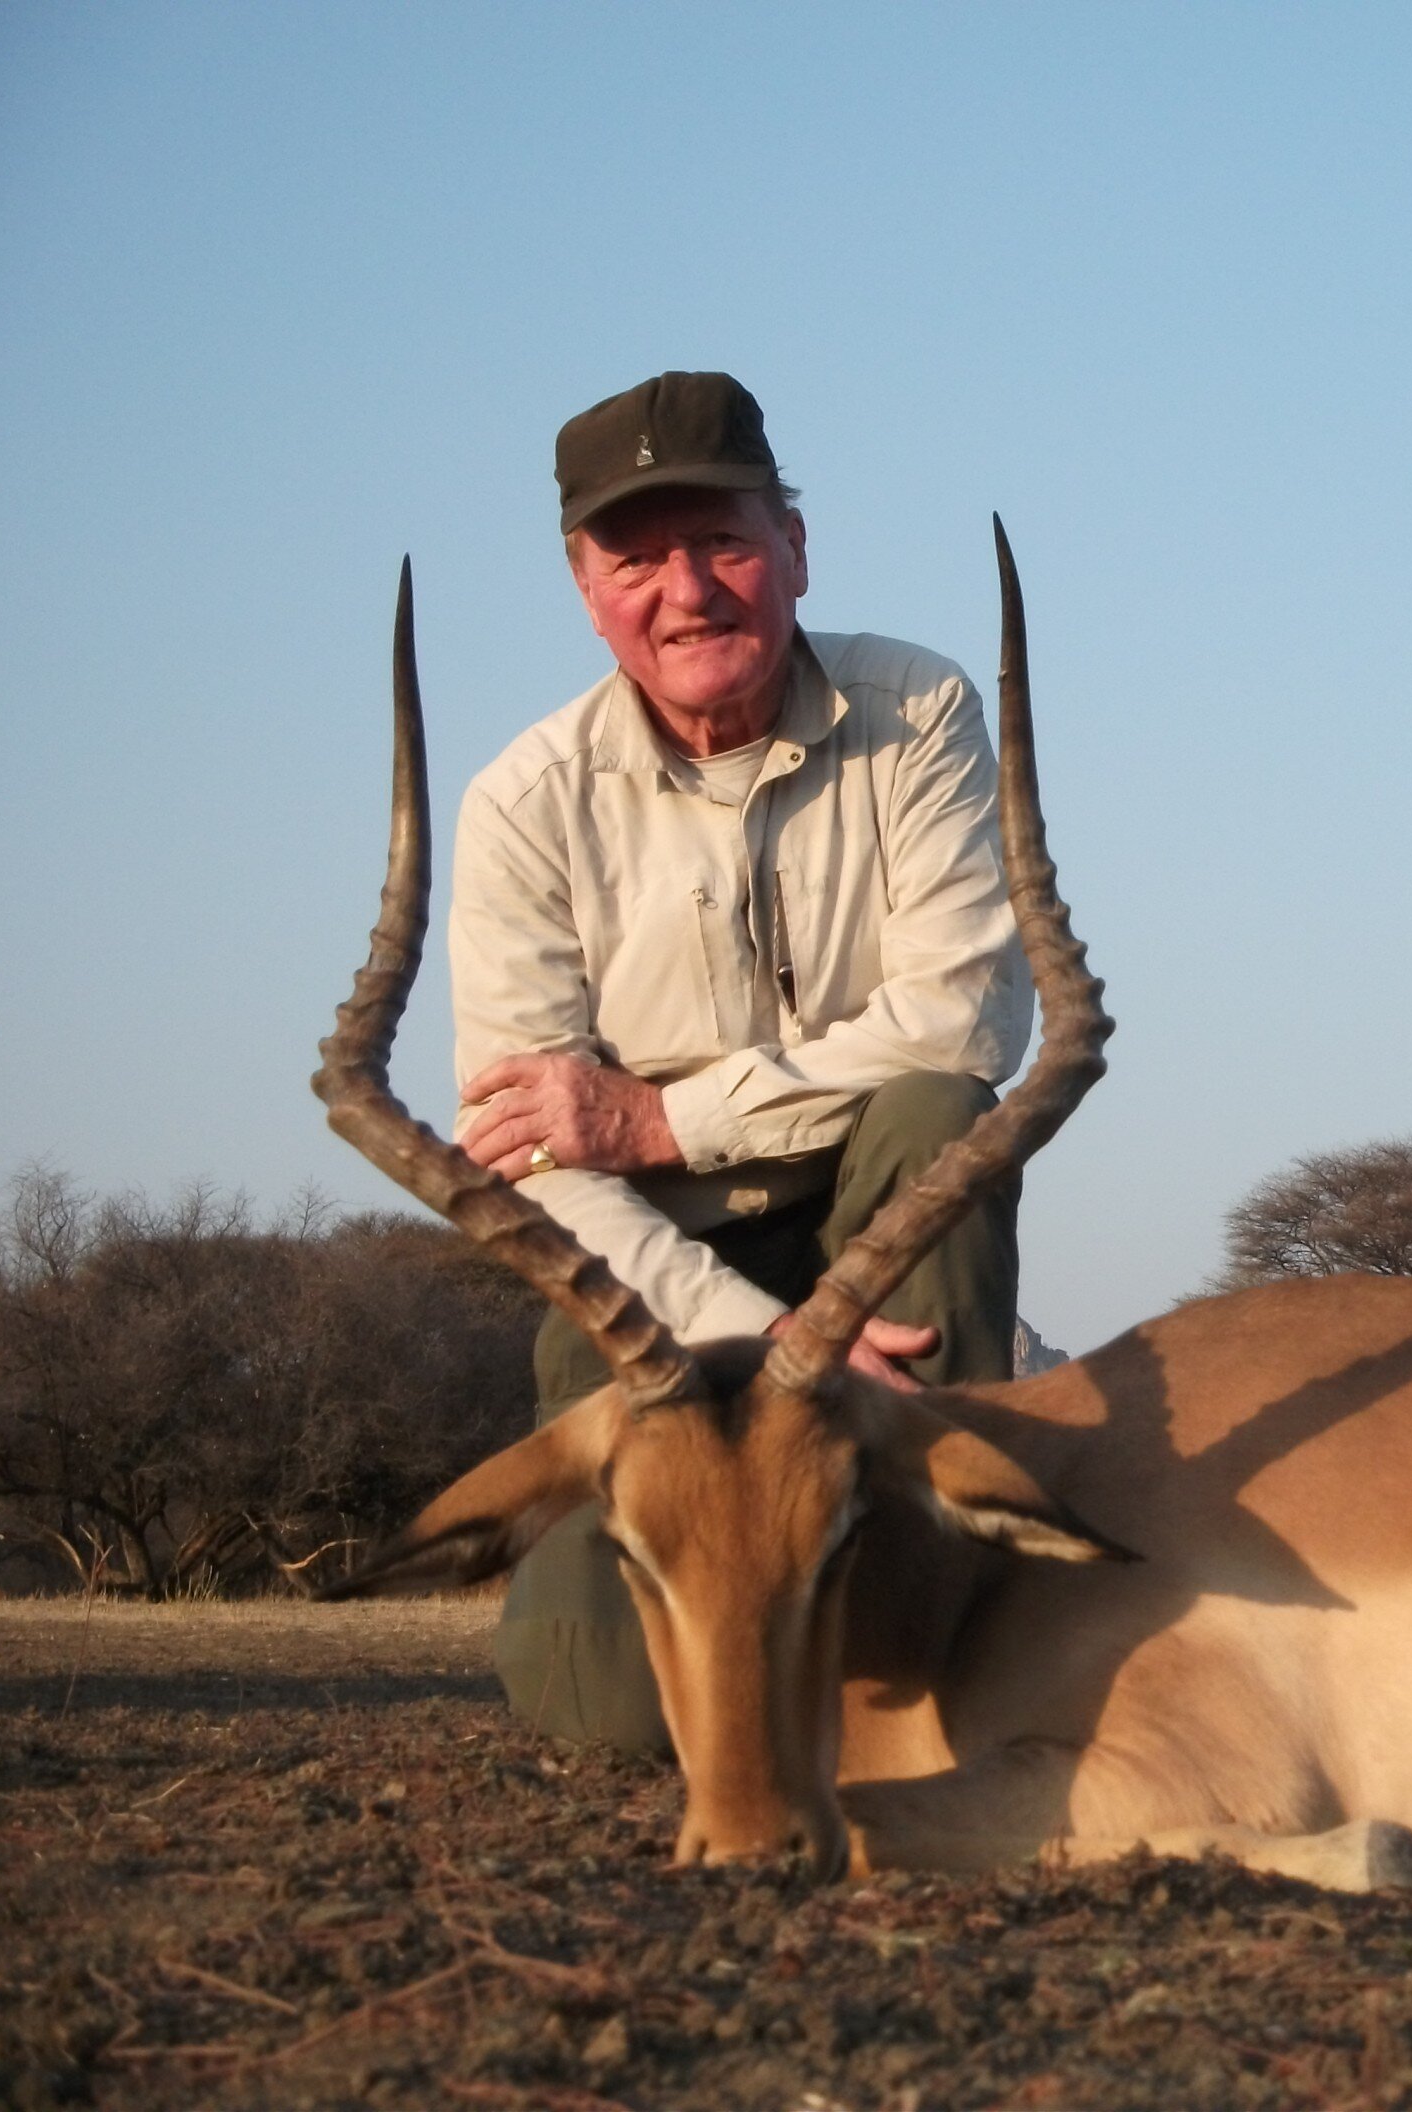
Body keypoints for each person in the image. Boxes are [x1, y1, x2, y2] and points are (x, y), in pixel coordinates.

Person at [450, 371, 1033, 1750]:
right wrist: (761, 1341)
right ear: (585, 587)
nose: (687, 590)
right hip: (651, 1289)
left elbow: (963, 1023)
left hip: (868, 1242)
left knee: (940, 1113)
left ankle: (938, 1635)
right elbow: (541, 1165)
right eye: (636, 557)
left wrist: (660, 1121)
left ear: (795, 546)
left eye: (721, 542)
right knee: (609, 1722)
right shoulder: (521, 807)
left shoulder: (920, 709)